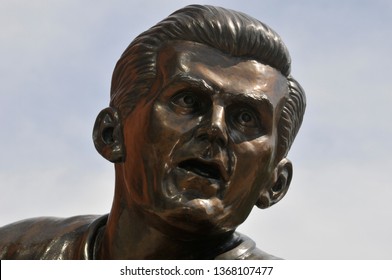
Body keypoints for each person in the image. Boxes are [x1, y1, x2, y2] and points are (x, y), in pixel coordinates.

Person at [0, 4, 305, 260]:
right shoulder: (18, 253)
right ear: (112, 134)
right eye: (188, 101)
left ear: (274, 184)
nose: (215, 128)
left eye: (246, 119)